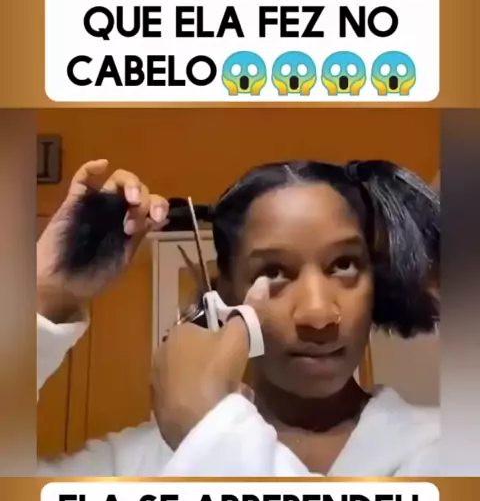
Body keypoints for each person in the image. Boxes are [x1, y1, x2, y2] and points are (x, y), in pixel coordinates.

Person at [37, 157, 440, 477]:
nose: (318, 314)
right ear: (225, 297)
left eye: (344, 265)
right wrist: (46, 295)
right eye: (274, 272)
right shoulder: (135, 465)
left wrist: (211, 432)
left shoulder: (444, 446)